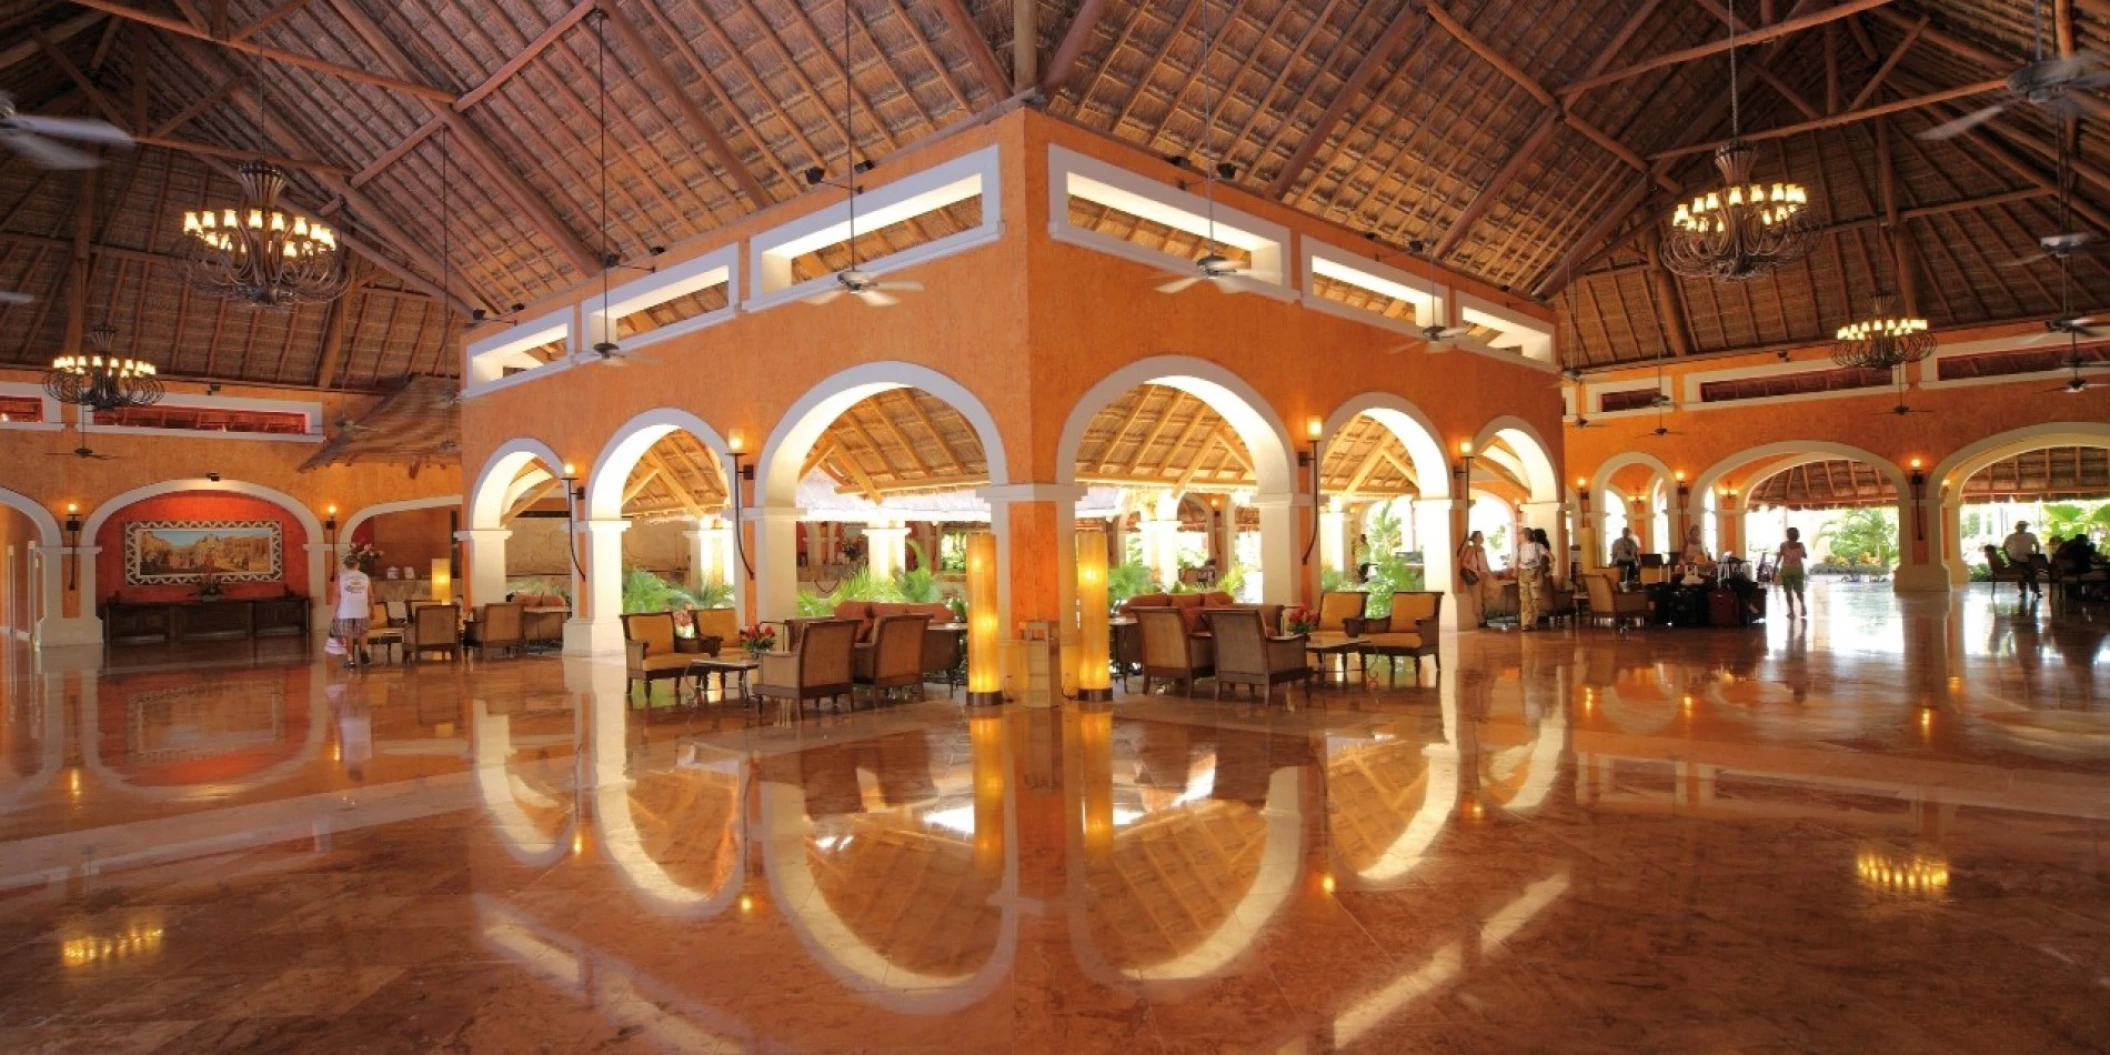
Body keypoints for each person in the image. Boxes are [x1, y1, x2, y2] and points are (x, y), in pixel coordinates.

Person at [331, 552, 373, 670]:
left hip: (346, 610)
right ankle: (364, 653)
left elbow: (337, 595)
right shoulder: (365, 577)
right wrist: (373, 610)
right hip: (362, 609)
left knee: (348, 635)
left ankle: (350, 660)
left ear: (346, 565)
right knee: (363, 632)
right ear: (357, 564)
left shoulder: (341, 576)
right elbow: (370, 595)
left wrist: (334, 613)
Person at [1515, 527, 1550, 631]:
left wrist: (1549, 570)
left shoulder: (1538, 546)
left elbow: (1551, 557)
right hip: (1523, 574)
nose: (1519, 537)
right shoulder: (1520, 546)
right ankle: (1526, 623)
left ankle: (1532, 622)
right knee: (1525, 599)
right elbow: (1518, 559)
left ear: (1525, 535)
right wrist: (1515, 570)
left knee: (1535, 598)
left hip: (1535, 573)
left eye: (1520, 535)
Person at [1456, 530, 1492, 628]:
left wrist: (1490, 573)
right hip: (1477, 577)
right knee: (1478, 598)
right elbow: (1464, 562)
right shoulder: (1471, 549)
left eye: (1482, 535)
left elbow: (1485, 562)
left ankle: (1483, 617)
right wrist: (1476, 571)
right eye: (1479, 536)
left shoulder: (1482, 548)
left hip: (1484, 575)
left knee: (1484, 597)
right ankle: (1481, 620)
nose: (1481, 538)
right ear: (1475, 538)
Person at [1776, 527, 1809, 620]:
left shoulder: (1783, 545)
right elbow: (1805, 556)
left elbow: (1779, 557)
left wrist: (1775, 567)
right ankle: (1803, 605)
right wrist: (1798, 554)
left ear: (1788, 535)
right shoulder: (1801, 545)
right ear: (1797, 536)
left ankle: (1791, 612)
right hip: (1798, 569)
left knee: (1788, 591)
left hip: (1786, 570)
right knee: (1799, 590)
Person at [2003, 521, 2043, 599]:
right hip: (2015, 559)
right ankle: (2022, 590)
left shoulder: (2031, 535)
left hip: (2029, 559)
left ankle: (2036, 590)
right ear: (2016, 527)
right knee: (2021, 575)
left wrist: (2035, 556)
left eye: (2024, 526)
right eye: (2020, 526)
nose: (2022, 527)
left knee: (2032, 574)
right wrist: (2008, 557)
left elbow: (2037, 545)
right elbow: (2004, 547)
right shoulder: (2011, 536)